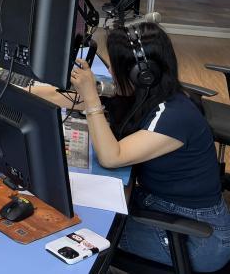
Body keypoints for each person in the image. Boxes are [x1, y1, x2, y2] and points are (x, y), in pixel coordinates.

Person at [67, 23, 230, 271]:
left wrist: (91, 98)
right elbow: (74, 100)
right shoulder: (153, 95)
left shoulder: (173, 116)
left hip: (198, 237)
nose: (109, 71)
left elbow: (111, 157)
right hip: (161, 203)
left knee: (83, 228)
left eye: (114, 66)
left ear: (141, 75)